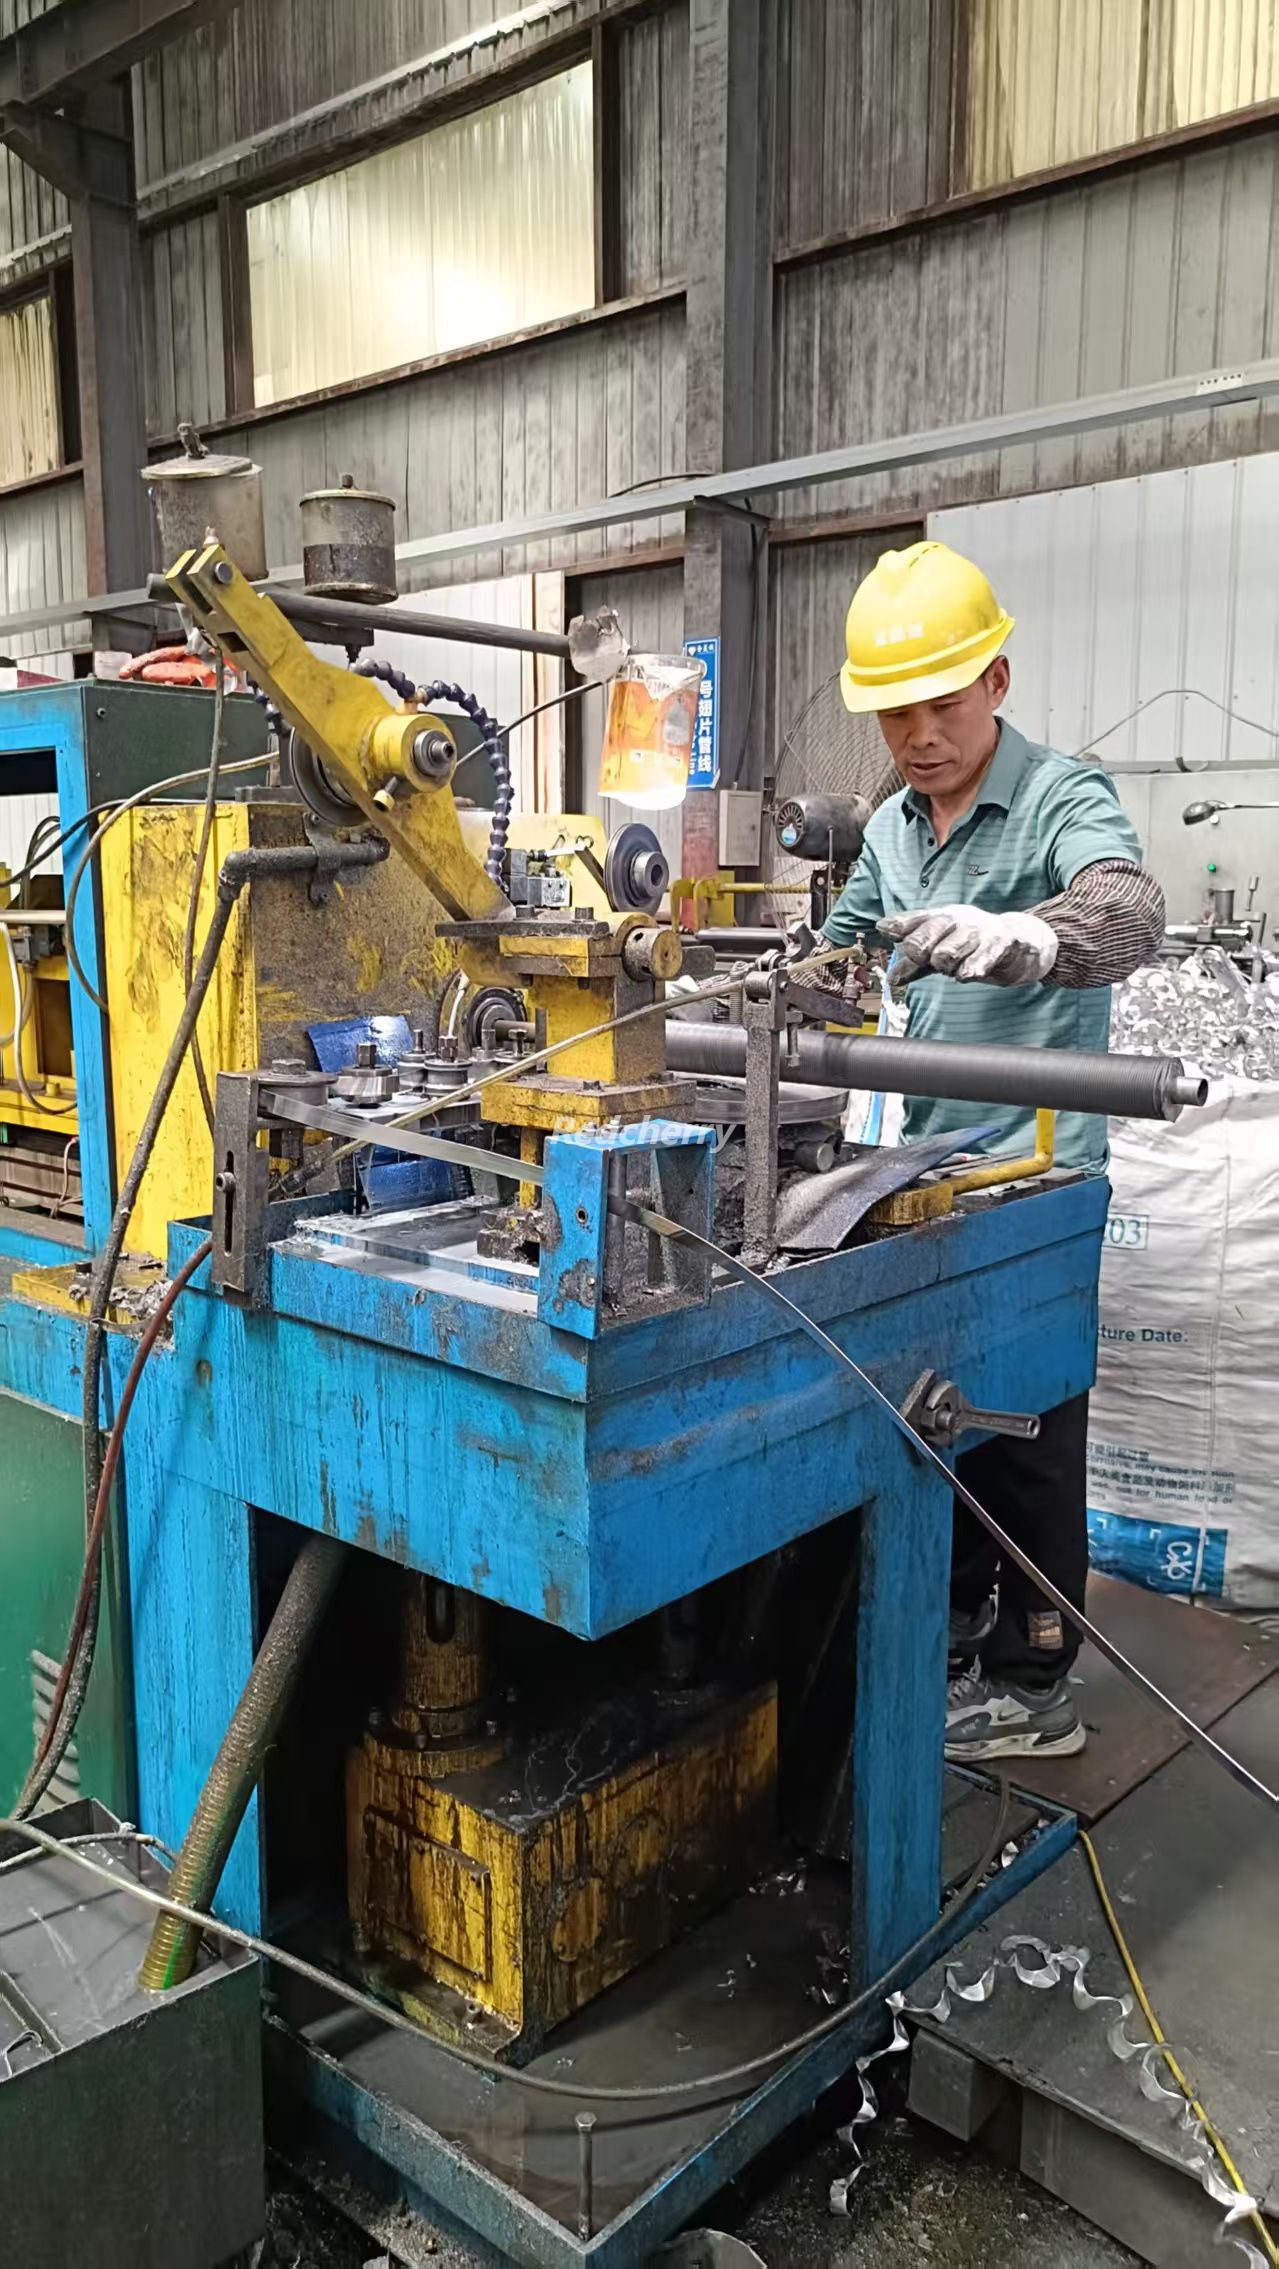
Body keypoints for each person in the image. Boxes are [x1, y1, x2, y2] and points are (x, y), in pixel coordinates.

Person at [820, 540, 1165, 1761]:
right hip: (930, 1180)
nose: (918, 735)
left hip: (1036, 1179)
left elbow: (1128, 909)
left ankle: (1033, 1687)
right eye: (894, 713)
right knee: (947, 1423)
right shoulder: (892, 826)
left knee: (1030, 1437)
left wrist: (1033, 938)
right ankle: (963, 1630)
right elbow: (845, 947)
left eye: (942, 704)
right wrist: (807, 974)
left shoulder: (1064, 793)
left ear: (997, 681)